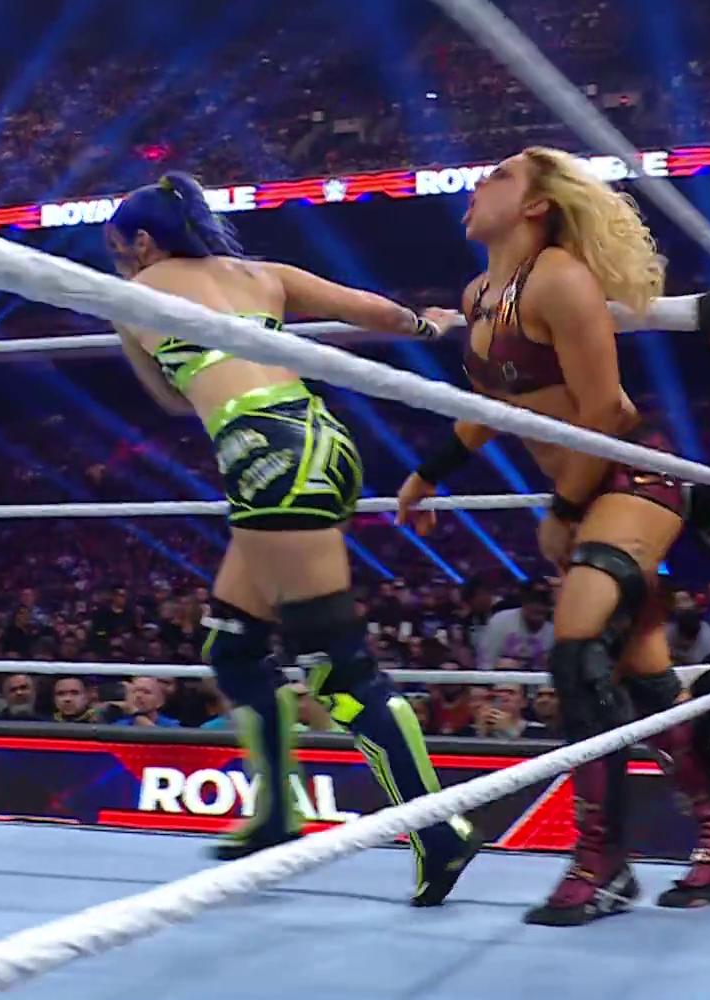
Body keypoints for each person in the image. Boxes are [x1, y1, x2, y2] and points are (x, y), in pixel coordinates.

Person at [392, 147, 710, 924]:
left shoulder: (560, 279)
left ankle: (601, 862)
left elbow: (603, 409)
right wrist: (428, 472)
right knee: (648, 680)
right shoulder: (479, 294)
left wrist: (563, 510)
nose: (477, 185)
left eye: (499, 177)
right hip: (583, 490)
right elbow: (494, 408)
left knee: (575, 647)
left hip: (633, 475)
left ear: (537, 204)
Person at [105, 171, 480, 907]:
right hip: (318, 441)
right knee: (233, 646)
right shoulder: (260, 274)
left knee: (338, 667)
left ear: (142, 242)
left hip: (265, 455)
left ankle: (439, 828)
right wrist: (428, 327)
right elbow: (370, 309)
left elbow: (172, 401)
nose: (118, 262)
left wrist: (133, 321)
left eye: (120, 249)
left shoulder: (136, 294)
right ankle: (278, 812)